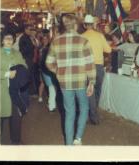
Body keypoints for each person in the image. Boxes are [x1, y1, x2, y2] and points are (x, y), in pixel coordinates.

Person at [46, 14, 96, 145]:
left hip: (65, 82)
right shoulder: (83, 41)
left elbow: (48, 62)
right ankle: (78, 138)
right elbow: (90, 64)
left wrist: (58, 71)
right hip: (80, 81)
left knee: (69, 113)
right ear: (76, 25)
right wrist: (91, 82)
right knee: (84, 108)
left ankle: (68, 144)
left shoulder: (56, 41)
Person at [82, 14, 112, 125]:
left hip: (87, 67)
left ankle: (91, 114)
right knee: (97, 90)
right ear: (93, 25)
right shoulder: (100, 36)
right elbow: (108, 50)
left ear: (85, 25)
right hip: (99, 67)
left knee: (89, 91)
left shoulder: (81, 37)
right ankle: (94, 114)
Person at [0, 30, 28, 145]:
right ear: (2, 40)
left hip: (15, 91)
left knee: (16, 116)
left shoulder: (17, 53)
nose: (9, 41)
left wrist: (19, 69)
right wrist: (6, 73)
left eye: (11, 39)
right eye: (6, 38)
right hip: (1, 90)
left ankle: (16, 140)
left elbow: (24, 66)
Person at [39, 30, 57, 112]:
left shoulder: (48, 48)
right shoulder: (45, 49)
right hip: (48, 72)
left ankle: (52, 104)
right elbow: (43, 63)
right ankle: (51, 105)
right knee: (51, 88)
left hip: (50, 71)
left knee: (52, 88)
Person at [19, 24, 38, 96]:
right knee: (27, 76)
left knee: (30, 75)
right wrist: (32, 46)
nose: (31, 31)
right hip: (27, 59)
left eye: (31, 29)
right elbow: (22, 50)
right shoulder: (23, 38)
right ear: (25, 30)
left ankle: (29, 92)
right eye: (29, 29)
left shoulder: (28, 37)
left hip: (30, 59)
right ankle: (26, 92)